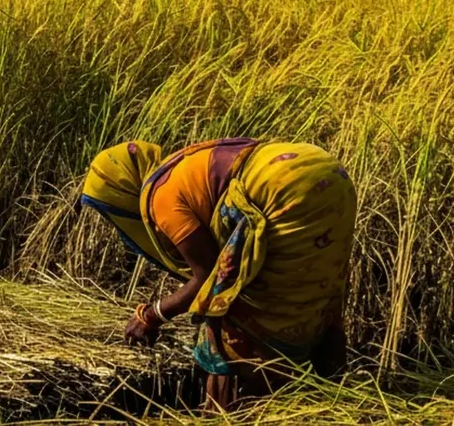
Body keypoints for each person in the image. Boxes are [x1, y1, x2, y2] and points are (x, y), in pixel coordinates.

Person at [80, 137, 357, 412]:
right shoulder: (181, 166)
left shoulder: (161, 196)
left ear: (121, 191)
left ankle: (238, 412)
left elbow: (209, 277)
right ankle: (339, 401)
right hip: (327, 173)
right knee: (319, 292)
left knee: (230, 311)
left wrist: (151, 315)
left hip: (282, 189)